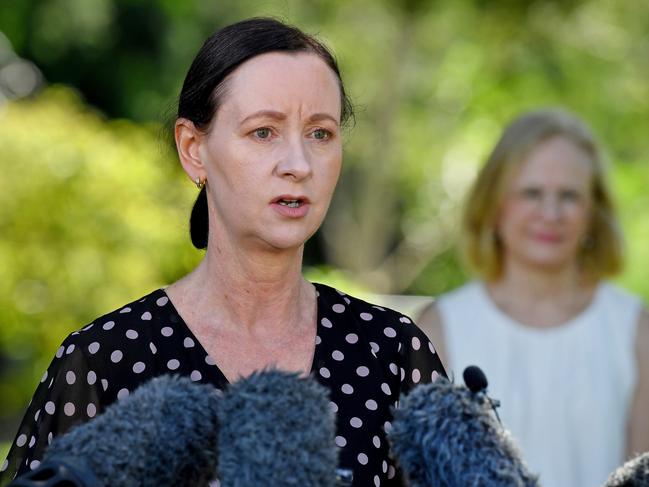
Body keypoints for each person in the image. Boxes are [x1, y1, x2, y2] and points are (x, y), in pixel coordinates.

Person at [0, 18, 446, 487]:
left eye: (320, 134)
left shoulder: (390, 350)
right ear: (193, 149)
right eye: (263, 132)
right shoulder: (105, 359)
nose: (298, 165)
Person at [417, 108, 649, 487]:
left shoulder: (636, 331)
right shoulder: (438, 328)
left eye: (569, 196)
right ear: (493, 205)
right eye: (531, 192)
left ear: (593, 212)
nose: (550, 212)